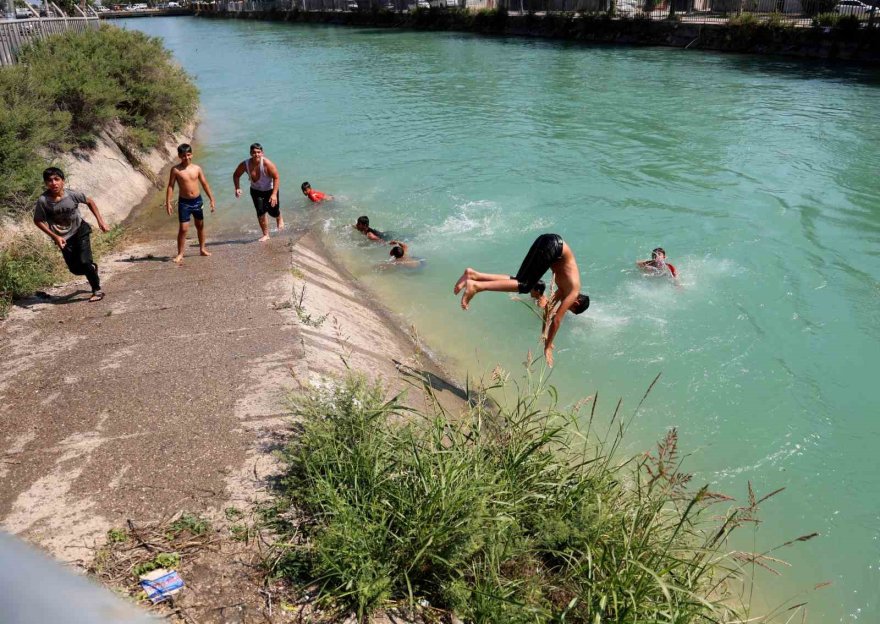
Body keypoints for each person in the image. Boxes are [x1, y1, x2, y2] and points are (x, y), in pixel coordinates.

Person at [453, 233, 589, 367]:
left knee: (520, 281)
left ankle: (474, 275)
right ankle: (477, 286)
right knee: (524, 286)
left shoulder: (564, 288)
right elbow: (557, 319)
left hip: (547, 240)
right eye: (571, 308)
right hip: (554, 247)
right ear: (575, 303)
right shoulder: (573, 290)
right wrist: (547, 347)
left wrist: (544, 333)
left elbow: (549, 308)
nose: (568, 307)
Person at [33, 167, 110, 302]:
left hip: (80, 230)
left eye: (57, 179)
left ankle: (96, 290)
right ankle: (92, 269)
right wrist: (55, 237)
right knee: (75, 269)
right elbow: (38, 220)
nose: (54, 183)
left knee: (85, 261)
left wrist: (101, 222)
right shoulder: (43, 201)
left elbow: (90, 202)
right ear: (46, 183)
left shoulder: (72, 195)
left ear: (63, 181)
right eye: (50, 180)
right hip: (63, 238)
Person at [165, 143, 216, 264]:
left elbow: (204, 184)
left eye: (188, 155)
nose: (186, 157)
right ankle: (180, 253)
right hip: (184, 203)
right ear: (179, 156)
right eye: (183, 155)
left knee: (200, 226)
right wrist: (168, 202)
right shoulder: (176, 170)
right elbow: (171, 186)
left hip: (197, 201)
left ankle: (202, 249)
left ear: (191, 154)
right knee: (183, 229)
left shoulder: (197, 168)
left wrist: (211, 199)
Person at [233, 143, 283, 242]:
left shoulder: (267, 163)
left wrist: (274, 194)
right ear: (250, 153)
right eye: (254, 152)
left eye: (258, 152)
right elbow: (236, 175)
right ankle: (266, 234)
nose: (256, 154)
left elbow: (276, 177)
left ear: (262, 153)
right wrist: (237, 188)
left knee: (273, 211)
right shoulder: (245, 164)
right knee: (260, 212)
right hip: (256, 191)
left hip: (270, 190)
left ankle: (279, 217)